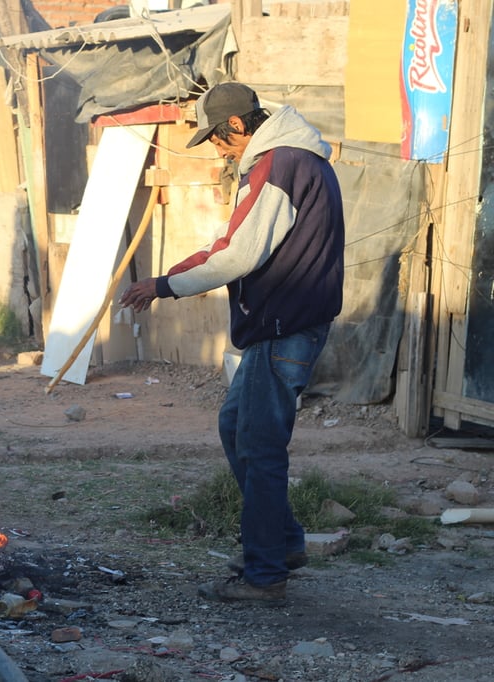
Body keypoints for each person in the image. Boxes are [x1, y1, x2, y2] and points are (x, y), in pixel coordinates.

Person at [119, 82, 345, 603]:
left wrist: (165, 286)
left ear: (237, 126)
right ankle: (283, 543)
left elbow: (238, 256)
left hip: (282, 327)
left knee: (260, 448)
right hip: (282, 326)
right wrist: (170, 276)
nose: (219, 151)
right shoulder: (291, 159)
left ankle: (265, 576)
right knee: (235, 427)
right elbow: (232, 243)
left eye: (219, 141)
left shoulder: (279, 162)